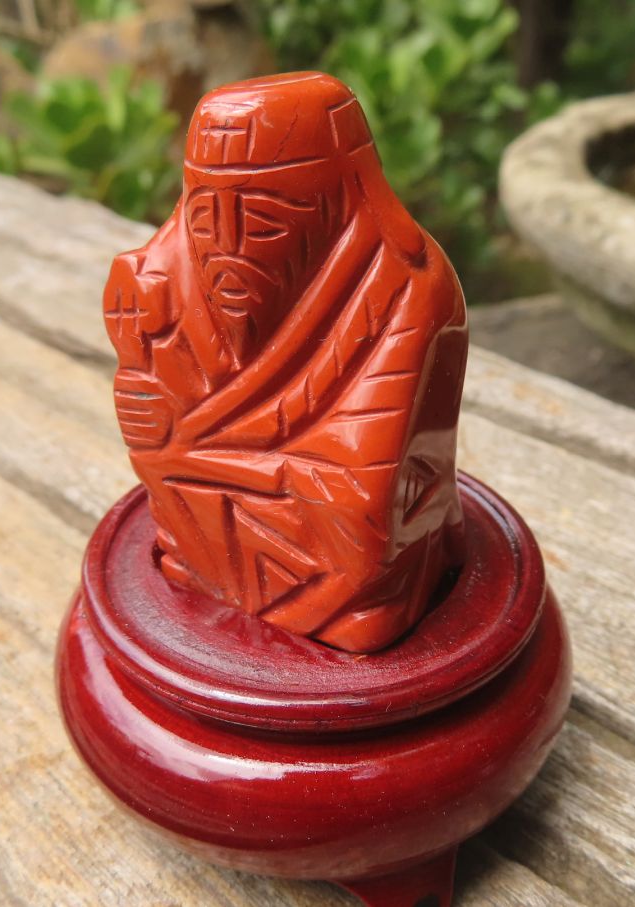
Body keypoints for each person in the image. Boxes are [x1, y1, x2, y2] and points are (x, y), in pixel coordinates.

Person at [103, 72, 468, 653]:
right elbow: (156, 441)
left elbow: (360, 494)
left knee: (364, 561)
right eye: (204, 219)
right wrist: (149, 418)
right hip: (205, 550)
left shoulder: (404, 293)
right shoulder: (163, 282)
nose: (226, 249)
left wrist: (189, 453)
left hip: (346, 585)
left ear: (339, 204)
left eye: (264, 223)